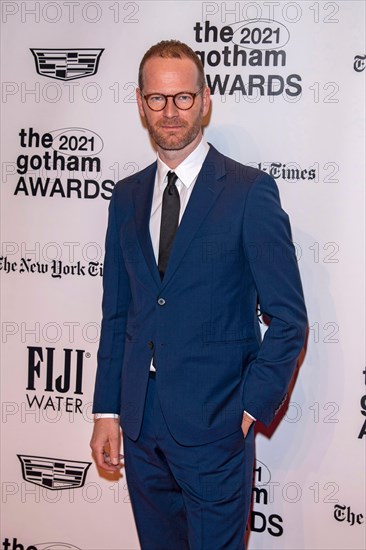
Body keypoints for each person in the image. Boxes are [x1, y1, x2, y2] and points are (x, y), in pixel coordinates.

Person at [90, 40, 307, 550]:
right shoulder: (125, 196)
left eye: (183, 98)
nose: (171, 112)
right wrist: (107, 413)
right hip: (140, 430)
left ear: (205, 100)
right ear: (140, 102)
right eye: (158, 99)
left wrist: (252, 406)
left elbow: (289, 318)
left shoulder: (249, 192)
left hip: (215, 427)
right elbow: (117, 312)